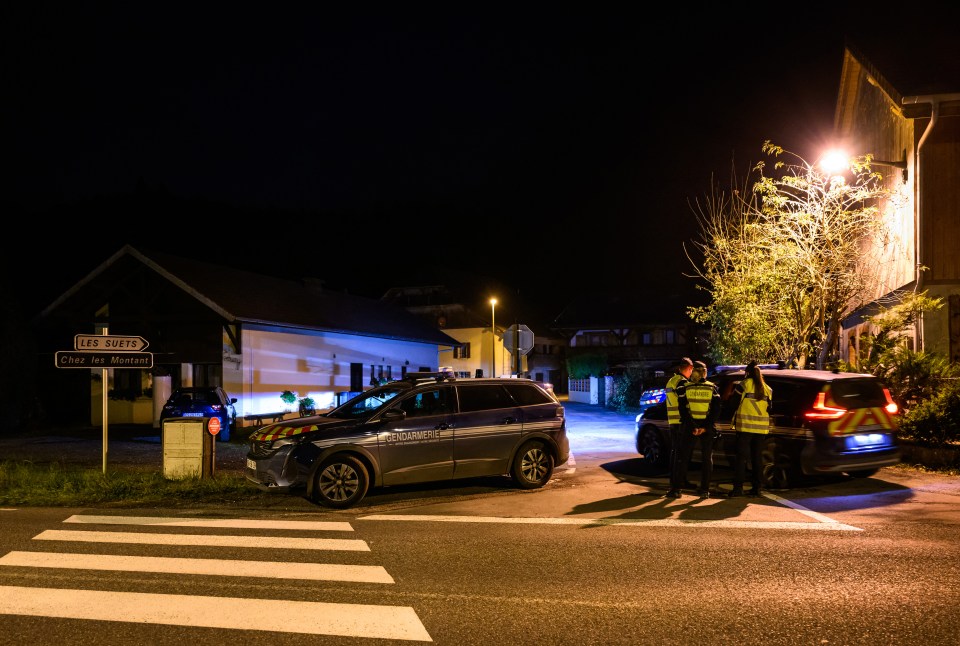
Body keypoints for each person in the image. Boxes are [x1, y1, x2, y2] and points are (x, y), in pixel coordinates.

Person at [677, 360, 721, 498]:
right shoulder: (712, 388)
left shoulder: (685, 387)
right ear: (704, 373)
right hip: (706, 429)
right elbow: (716, 411)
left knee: (684, 458)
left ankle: (678, 489)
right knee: (707, 459)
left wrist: (693, 427)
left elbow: (683, 410)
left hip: (690, 427)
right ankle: (704, 490)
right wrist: (705, 427)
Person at [729, 361, 773, 498]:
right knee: (757, 459)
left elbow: (733, 403)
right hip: (761, 430)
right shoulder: (768, 389)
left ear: (747, 373)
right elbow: (770, 408)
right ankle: (757, 488)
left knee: (741, 459)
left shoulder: (744, 385)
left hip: (745, 427)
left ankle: (738, 489)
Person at [665, 357, 694, 498]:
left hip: (672, 421)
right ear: (689, 368)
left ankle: (678, 482)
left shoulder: (671, 381)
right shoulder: (683, 383)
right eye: (691, 370)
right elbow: (685, 403)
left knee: (675, 454)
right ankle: (677, 487)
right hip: (681, 422)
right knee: (681, 456)